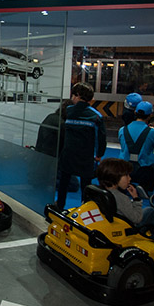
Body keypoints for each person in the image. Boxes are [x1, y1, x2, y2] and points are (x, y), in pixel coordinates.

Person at [55, 82, 106, 210]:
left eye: (73, 95)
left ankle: (59, 206)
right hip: (86, 157)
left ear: (78, 95)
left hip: (68, 155)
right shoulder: (96, 116)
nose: (72, 98)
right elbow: (101, 138)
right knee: (86, 186)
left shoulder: (69, 111)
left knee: (63, 184)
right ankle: (85, 209)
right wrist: (99, 154)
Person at [96, 158, 154, 239]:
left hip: (110, 222)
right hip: (126, 228)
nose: (130, 178)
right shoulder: (121, 198)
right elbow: (137, 219)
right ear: (115, 177)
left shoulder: (98, 191)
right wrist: (136, 199)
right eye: (126, 175)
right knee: (150, 211)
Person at [118, 101, 154, 192]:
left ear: (135, 112)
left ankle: (124, 184)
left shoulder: (122, 130)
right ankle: (146, 188)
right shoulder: (153, 132)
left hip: (124, 169)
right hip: (143, 171)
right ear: (150, 115)